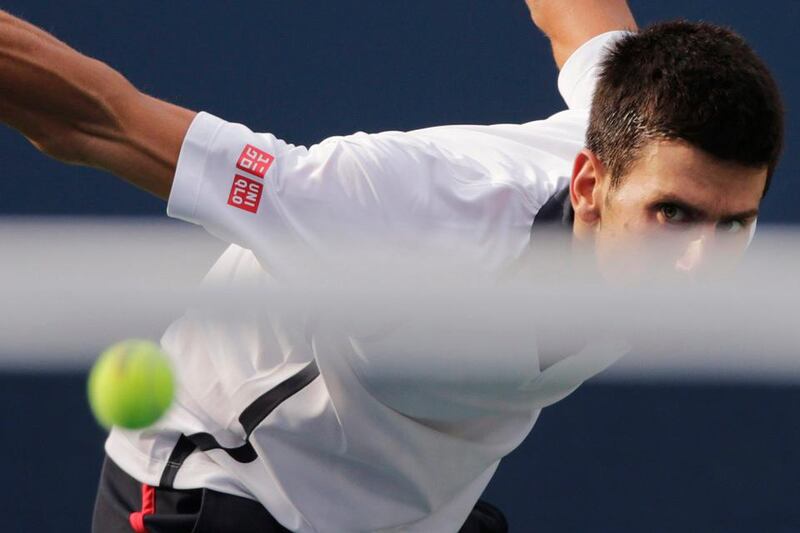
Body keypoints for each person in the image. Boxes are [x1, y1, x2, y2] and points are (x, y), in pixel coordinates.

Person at [0, 1, 783, 531]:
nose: (695, 266)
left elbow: (576, 13)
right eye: (671, 215)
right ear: (589, 185)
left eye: (734, 224)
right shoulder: (390, 209)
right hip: (228, 485)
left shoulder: (628, 119)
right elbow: (97, 121)